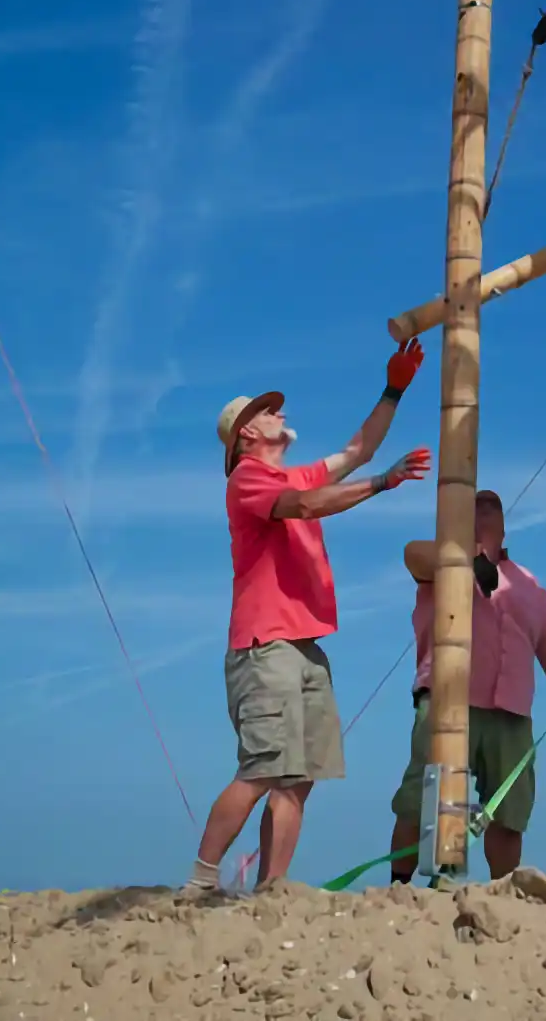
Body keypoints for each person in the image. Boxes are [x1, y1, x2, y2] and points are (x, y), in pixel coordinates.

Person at [182, 338, 432, 895]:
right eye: (267, 412)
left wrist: (393, 388)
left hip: (304, 644)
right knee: (263, 769)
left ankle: (272, 887)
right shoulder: (248, 479)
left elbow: (358, 448)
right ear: (248, 433)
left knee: (299, 778)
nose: (279, 413)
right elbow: (311, 505)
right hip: (264, 644)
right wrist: (384, 483)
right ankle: (200, 882)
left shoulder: (291, 474)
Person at [387, 489, 546, 883]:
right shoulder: (440, 561)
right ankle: (400, 885)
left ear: (506, 528)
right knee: (425, 799)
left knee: (510, 810)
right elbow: (412, 554)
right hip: (447, 699)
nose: (487, 510)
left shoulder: (528, 582)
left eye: (494, 510)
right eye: (478, 509)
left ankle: (500, 890)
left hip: (511, 710)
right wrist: (467, 560)